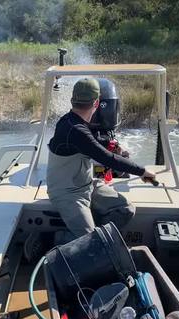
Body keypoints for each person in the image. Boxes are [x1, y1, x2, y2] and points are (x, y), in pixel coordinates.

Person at [46, 78, 155, 239]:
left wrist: (114, 144)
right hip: (68, 194)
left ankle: (99, 238)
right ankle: (58, 238)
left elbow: (94, 138)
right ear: (97, 103)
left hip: (87, 184)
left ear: (72, 100)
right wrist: (142, 172)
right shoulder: (75, 130)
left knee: (125, 210)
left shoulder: (73, 121)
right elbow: (107, 159)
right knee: (90, 242)